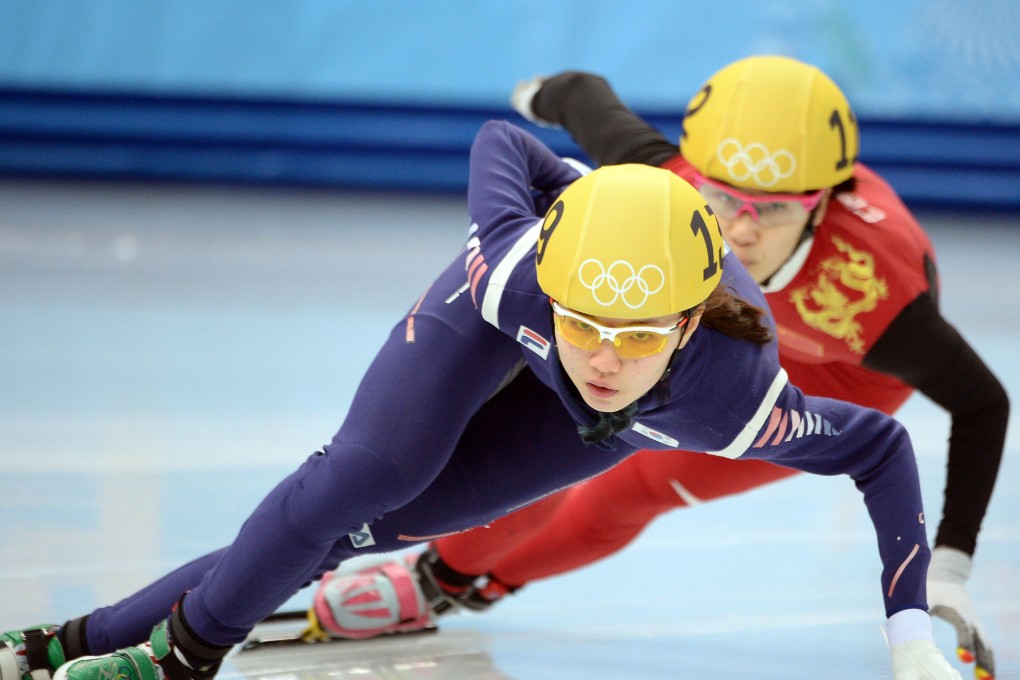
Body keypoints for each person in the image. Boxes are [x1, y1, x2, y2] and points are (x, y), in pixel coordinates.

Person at [0, 120, 961, 680]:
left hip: (606, 408)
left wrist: (908, 630)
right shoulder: (516, 270)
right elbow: (504, 140)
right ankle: (176, 662)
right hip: (501, 317)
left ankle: (66, 645)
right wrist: (562, 218)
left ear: (687, 325)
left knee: (366, 532)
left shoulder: (739, 402)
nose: (605, 357)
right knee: (370, 474)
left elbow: (880, 448)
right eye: (589, 326)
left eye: (638, 338)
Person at [311, 57, 1008, 678]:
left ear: (822, 203)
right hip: (722, 321)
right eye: (724, 198)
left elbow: (983, 404)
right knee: (575, 414)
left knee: (632, 484)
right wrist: (534, 92)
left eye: (774, 209)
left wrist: (949, 566)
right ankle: (449, 560)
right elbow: (580, 95)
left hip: (835, 370)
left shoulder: (872, 301)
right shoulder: (666, 178)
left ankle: (446, 583)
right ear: (693, 173)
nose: (741, 228)